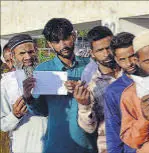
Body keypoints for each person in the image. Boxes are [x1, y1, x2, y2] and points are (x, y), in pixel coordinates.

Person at [23, 18, 96, 153]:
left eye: (66, 38)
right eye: (56, 41)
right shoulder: (43, 70)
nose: (63, 45)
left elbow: (102, 103)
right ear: (50, 44)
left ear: (73, 36)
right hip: (56, 145)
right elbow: (41, 111)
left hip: (89, 145)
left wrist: (84, 90)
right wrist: (28, 97)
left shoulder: (90, 66)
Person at [75, 26, 122, 153]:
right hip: (109, 146)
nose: (106, 54)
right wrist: (84, 106)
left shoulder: (130, 72)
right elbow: (89, 128)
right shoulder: (91, 84)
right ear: (92, 53)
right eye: (100, 50)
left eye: (108, 48)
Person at [1, 34, 47, 153]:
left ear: (36, 51)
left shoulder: (49, 75)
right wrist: (15, 115)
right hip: (25, 148)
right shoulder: (5, 84)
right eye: (22, 53)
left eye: (31, 52)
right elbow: (3, 125)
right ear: (12, 56)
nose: (28, 57)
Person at [104, 32, 137, 153]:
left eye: (132, 56)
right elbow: (113, 130)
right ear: (116, 60)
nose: (129, 63)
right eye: (122, 59)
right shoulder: (113, 91)